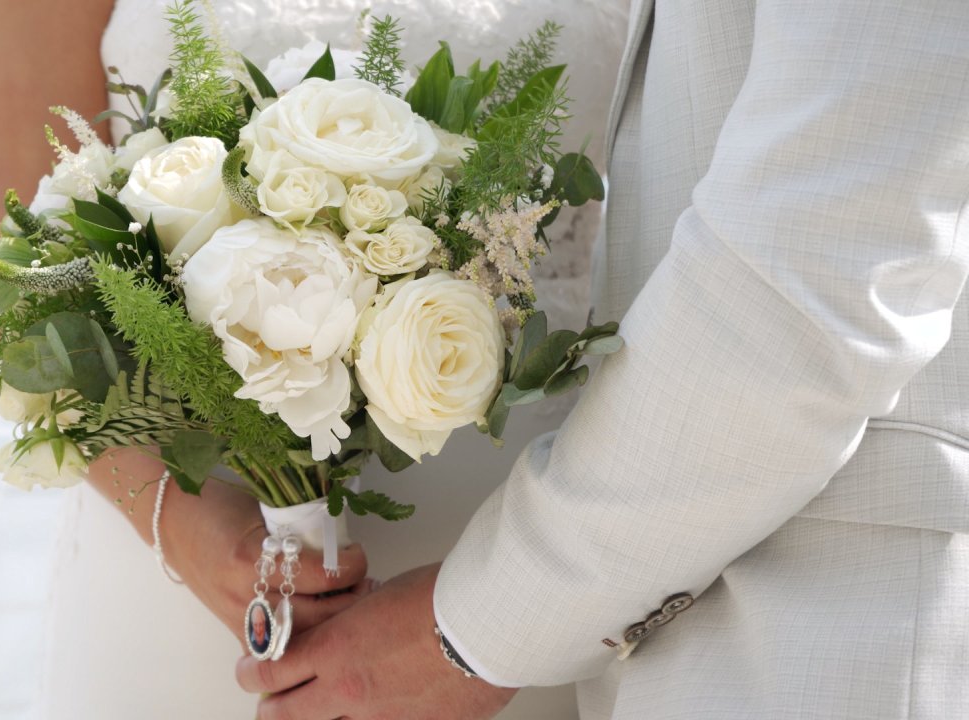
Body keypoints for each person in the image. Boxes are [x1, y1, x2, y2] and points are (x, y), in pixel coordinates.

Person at [234, 0, 969, 718]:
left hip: (786, 609)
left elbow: (821, 254)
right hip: (605, 613)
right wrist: (179, 518)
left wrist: (470, 634)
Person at [0, 0, 629, 717]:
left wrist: (508, 619)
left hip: (541, 563)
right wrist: (188, 532)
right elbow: (19, 280)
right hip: (204, 575)